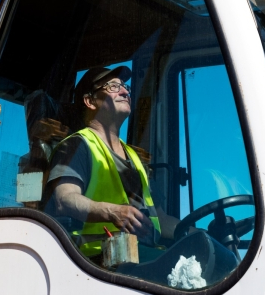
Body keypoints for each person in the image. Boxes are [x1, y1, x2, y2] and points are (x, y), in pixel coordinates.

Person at [44, 65, 180, 261]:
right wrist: (114, 212)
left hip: (143, 256)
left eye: (125, 87)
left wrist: (198, 232)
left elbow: (161, 219)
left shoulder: (135, 158)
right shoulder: (77, 146)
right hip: (97, 261)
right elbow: (63, 200)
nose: (125, 91)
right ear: (90, 101)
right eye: (113, 86)